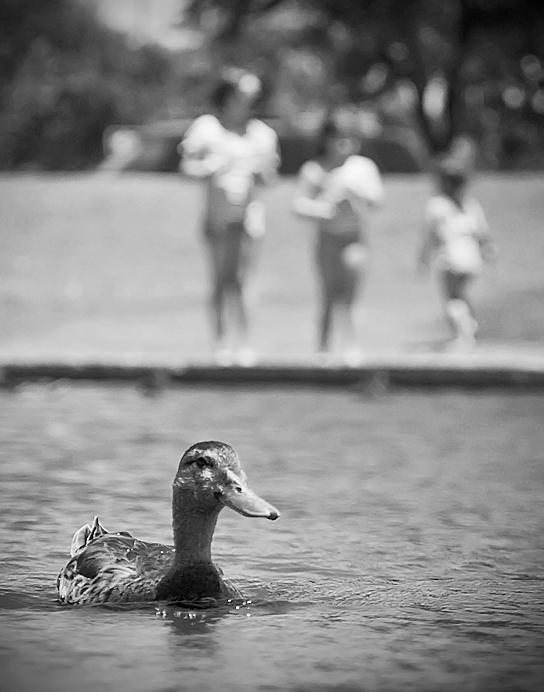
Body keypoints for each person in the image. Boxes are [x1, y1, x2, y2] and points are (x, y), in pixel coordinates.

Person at [179, 70, 279, 365]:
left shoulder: (262, 134)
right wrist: (213, 166)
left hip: (249, 218)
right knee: (221, 280)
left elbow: (271, 178)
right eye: (243, 96)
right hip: (217, 217)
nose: (248, 103)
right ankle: (221, 346)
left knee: (245, 281)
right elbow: (186, 168)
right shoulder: (206, 128)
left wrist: (258, 170)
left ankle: (245, 345)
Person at [292, 120, 384, 365]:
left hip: (354, 239)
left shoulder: (363, 167)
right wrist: (323, 209)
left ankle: (352, 348)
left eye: (350, 138)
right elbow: (298, 205)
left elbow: (377, 200)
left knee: (351, 296)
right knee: (328, 295)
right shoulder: (315, 169)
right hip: (327, 239)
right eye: (340, 139)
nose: (346, 144)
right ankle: (323, 349)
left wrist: (355, 193)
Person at [417, 144, 496, 351]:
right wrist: (489, 250)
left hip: (451, 258)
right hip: (472, 259)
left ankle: (463, 335)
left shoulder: (437, 206)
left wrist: (423, 260)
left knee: (452, 299)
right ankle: (469, 326)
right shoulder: (470, 205)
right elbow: (483, 233)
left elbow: (430, 238)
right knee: (461, 295)